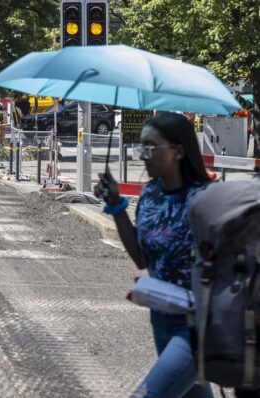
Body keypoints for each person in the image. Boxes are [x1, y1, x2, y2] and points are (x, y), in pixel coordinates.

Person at [95, 113, 213, 398]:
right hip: (161, 319)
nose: (142, 155)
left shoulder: (205, 200)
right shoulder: (150, 195)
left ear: (179, 151)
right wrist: (116, 205)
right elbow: (141, 259)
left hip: (198, 327)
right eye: (140, 147)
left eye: (150, 147)